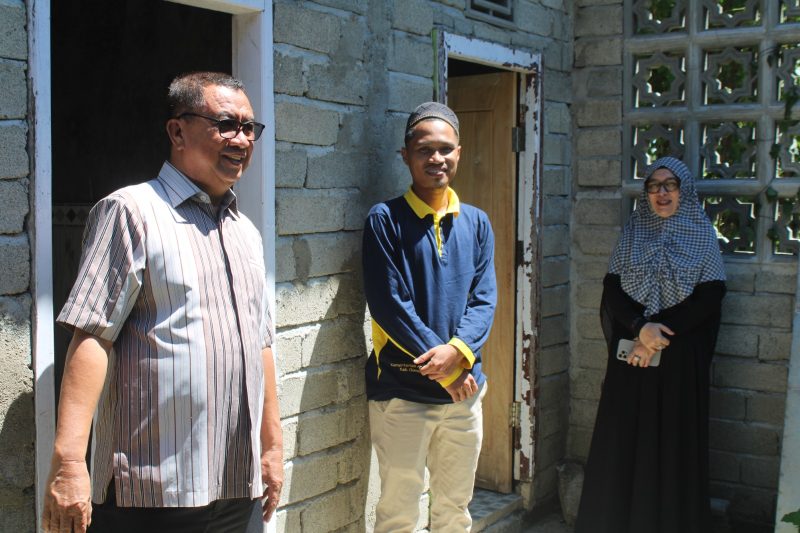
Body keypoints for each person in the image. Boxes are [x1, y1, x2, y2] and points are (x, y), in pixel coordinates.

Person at [42, 72, 282, 533]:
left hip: (238, 485)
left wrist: (271, 448)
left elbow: (261, 344)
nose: (241, 139)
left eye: (249, 128)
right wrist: (69, 461)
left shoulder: (245, 232)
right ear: (177, 131)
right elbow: (92, 335)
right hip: (152, 491)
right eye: (226, 124)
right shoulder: (131, 212)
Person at [362, 102, 497, 532]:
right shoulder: (385, 220)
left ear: (459, 152)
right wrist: (446, 370)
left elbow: (484, 299)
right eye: (424, 150)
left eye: (445, 149)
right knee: (399, 514)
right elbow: (389, 304)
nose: (436, 158)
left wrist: (459, 353)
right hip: (403, 393)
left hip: (464, 395)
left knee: (455, 510)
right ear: (406, 155)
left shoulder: (477, 223)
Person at [575, 156, 727, 532]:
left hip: (678, 357)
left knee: (671, 438)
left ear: (683, 191)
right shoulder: (633, 231)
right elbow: (612, 288)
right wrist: (641, 328)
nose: (661, 193)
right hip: (632, 354)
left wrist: (657, 337)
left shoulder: (702, 234)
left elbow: (710, 296)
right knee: (623, 435)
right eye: (653, 185)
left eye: (670, 185)